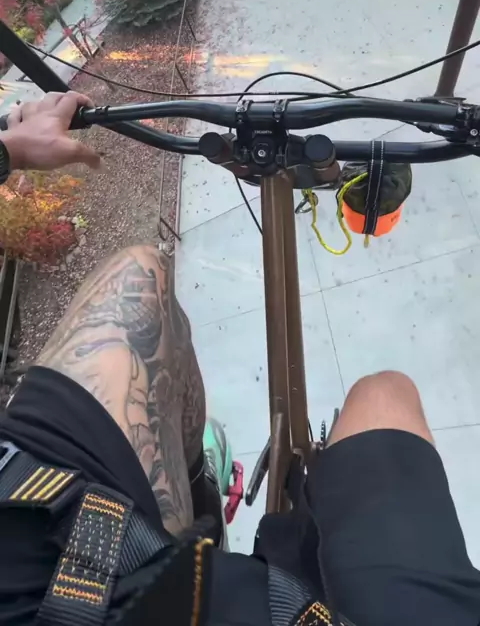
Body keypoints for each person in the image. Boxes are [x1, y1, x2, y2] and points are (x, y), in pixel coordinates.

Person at [0, 92, 480, 626]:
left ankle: (194, 493)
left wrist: (9, 152)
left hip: (31, 549)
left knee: (138, 276)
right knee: (384, 394)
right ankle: (192, 498)